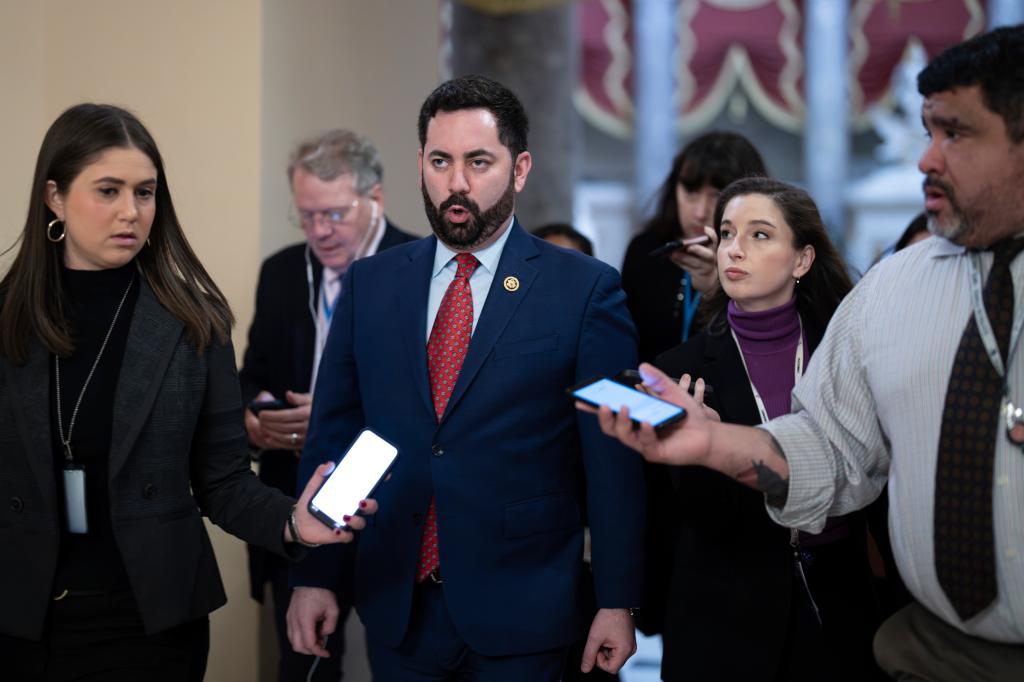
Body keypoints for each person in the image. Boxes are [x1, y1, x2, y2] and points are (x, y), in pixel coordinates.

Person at [583, 25, 1024, 682]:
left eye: (955, 134)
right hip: (928, 651)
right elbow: (832, 452)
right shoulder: (891, 292)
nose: (925, 159)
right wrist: (713, 445)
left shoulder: (833, 316)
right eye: (927, 132)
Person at [287, 75, 645, 681]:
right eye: (440, 161)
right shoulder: (372, 285)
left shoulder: (584, 289)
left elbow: (611, 457)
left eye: (478, 161)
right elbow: (338, 440)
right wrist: (315, 574)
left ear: (520, 167)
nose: (457, 183)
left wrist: (617, 599)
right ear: (420, 165)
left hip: (524, 605)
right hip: (398, 601)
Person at [0, 103, 373, 682]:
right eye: (108, 190)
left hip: (149, 621)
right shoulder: (7, 321)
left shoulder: (192, 322)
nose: (131, 212)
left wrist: (293, 522)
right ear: (54, 197)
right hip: (20, 614)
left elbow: (222, 482)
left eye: (145, 192)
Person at [652, 177, 883, 681]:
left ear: (802, 260)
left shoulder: (847, 353)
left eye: (759, 235)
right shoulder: (680, 371)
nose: (734, 248)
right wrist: (709, 451)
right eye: (728, 233)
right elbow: (684, 516)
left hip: (840, 608)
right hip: (724, 618)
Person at [239, 128, 414, 681]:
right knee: (305, 664)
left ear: (375, 198)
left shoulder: (419, 267)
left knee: (404, 657)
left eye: (334, 214)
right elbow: (253, 376)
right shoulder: (283, 271)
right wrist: (258, 418)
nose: (320, 231)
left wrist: (336, 416)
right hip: (295, 496)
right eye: (307, 215)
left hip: (391, 505)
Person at [621, 132, 766, 362]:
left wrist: (717, 288)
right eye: (690, 192)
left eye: (716, 195)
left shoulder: (764, 258)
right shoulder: (646, 249)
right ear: (674, 189)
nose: (700, 212)